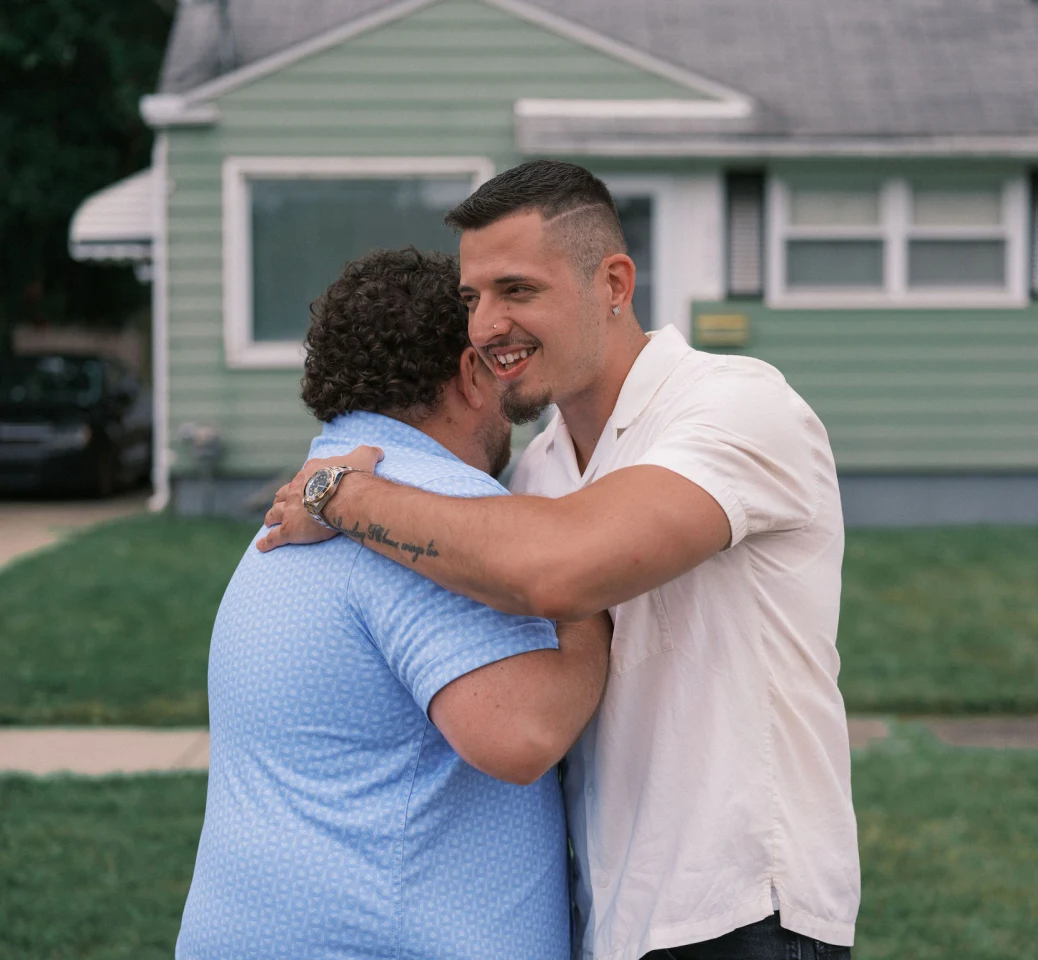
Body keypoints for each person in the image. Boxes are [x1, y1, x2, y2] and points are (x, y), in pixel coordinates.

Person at [260, 162, 861, 960]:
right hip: (614, 922)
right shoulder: (539, 469)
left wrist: (341, 495)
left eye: (517, 290)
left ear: (613, 282)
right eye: (473, 299)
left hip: (744, 914)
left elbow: (557, 568)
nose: (485, 326)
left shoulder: (739, 407)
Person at [177, 247, 611, 960]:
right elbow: (520, 735)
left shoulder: (315, 492)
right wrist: (581, 590)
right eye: (499, 364)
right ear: (471, 376)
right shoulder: (435, 509)